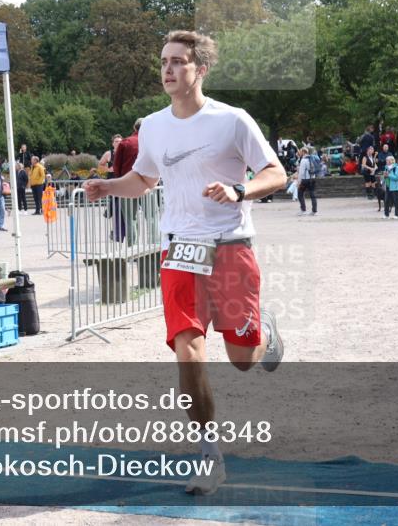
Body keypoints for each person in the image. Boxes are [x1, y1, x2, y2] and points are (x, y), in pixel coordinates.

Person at [83, 30, 286, 496]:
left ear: (200, 69)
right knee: (188, 352)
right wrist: (109, 187)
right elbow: (144, 178)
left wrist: (239, 190)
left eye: (178, 61)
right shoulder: (152, 126)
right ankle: (209, 457)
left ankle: (266, 333)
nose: (168, 69)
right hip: (181, 250)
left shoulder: (233, 121)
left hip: (232, 246)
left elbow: (275, 173)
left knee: (240, 360)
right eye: (163, 62)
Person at [295, 147, 318, 216]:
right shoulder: (312, 159)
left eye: (301, 152)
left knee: (300, 194)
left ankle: (303, 210)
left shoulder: (303, 160)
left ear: (303, 152)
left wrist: (299, 182)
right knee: (313, 195)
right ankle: (314, 211)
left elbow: (301, 173)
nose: (300, 153)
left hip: (305, 180)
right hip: (312, 179)